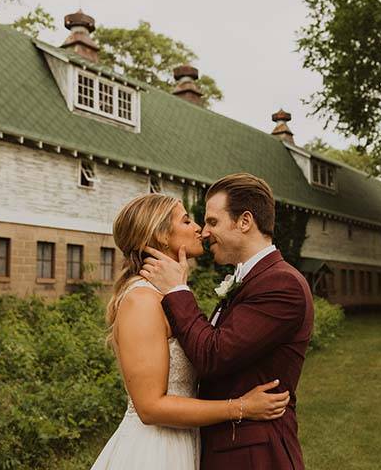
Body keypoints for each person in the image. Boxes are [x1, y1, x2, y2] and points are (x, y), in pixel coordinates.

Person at [90, 193, 290, 470]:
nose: (199, 228)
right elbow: (150, 408)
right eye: (186, 220)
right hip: (154, 451)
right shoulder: (142, 301)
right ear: (160, 235)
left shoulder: (168, 294)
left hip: (184, 441)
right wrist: (240, 407)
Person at [141, 173, 314, 470]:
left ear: (245, 222)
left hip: (254, 455)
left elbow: (213, 355)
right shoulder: (251, 280)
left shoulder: (281, 284)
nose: (204, 233)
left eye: (212, 222)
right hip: (227, 447)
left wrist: (177, 291)